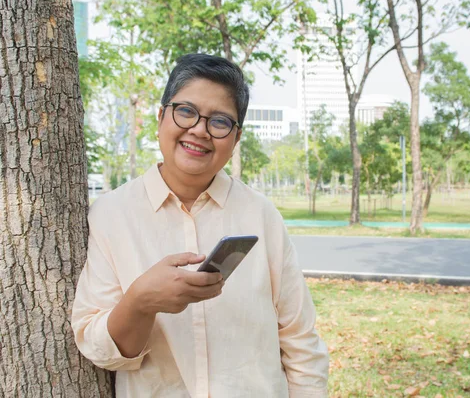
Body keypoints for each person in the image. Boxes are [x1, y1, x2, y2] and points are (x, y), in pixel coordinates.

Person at [71, 53, 329, 397]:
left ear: (236, 139)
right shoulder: (111, 213)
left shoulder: (261, 214)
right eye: (186, 111)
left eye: (220, 121)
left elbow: (300, 341)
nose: (199, 130)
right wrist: (141, 300)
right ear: (161, 116)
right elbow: (100, 349)